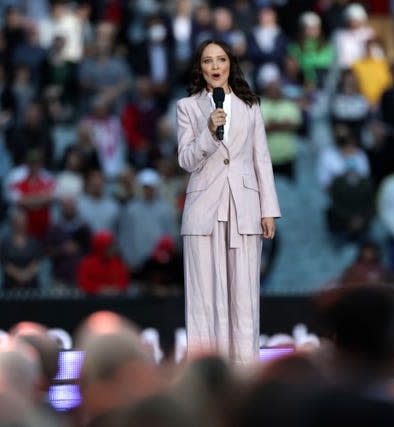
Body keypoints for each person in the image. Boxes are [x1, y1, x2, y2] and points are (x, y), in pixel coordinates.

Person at [176, 39, 281, 364]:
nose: (215, 66)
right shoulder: (188, 107)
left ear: (231, 64)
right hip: (203, 210)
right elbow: (186, 159)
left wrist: (268, 210)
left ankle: (245, 375)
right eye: (208, 61)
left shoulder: (251, 106)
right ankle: (206, 377)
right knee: (203, 299)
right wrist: (208, 132)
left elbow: (261, 158)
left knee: (244, 297)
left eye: (221, 59)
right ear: (200, 68)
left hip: (245, 208)